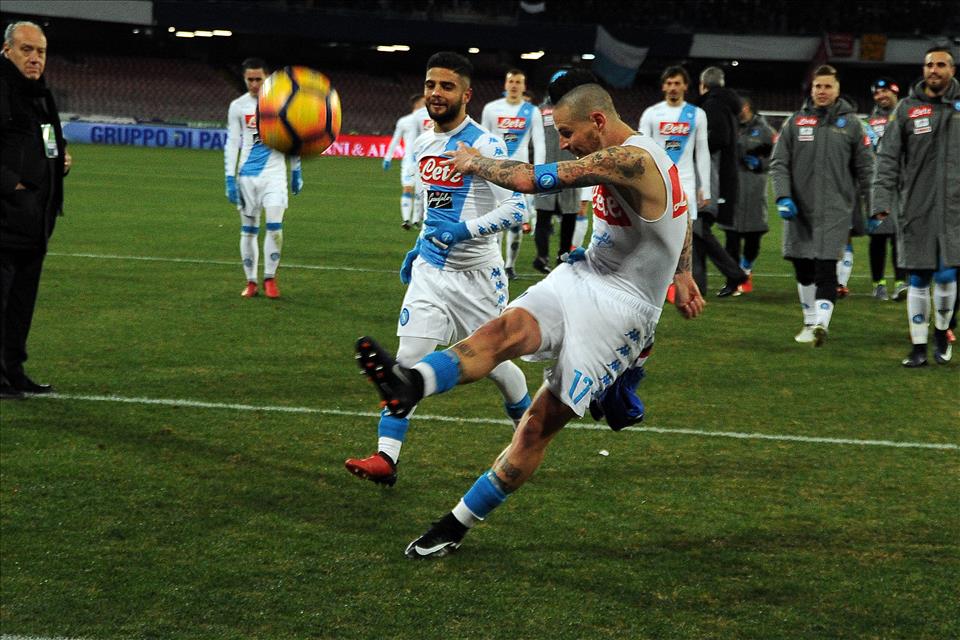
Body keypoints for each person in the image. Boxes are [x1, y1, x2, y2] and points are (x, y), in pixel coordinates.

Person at [355, 83, 704, 557]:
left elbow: (530, 180)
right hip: (583, 274)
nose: (564, 141)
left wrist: (474, 162)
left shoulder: (630, 160)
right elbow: (681, 220)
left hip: (622, 312)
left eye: (568, 131)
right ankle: (409, 385)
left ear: (598, 122)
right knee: (502, 332)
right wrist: (682, 271)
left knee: (538, 425)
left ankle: (455, 525)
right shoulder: (647, 153)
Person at [344, 52, 532, 486]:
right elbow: (435, 208)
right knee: (405, 363)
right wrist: (419, 245)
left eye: (446, 86)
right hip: (431, 272)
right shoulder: (425, 142)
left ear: (466, 94)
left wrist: (463, 231)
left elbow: (517, 208)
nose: (436, 93)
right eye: (430, 85)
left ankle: (529, 428)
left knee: (499, 368)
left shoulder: (486, 145)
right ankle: (386, 459)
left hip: (477, 278)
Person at [770, 64, 875, 347]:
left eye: (828, 86)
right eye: (818, 86)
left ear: (838, 90)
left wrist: (875, 206)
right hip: (799, 211)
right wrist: (782, 196)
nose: (822, 91)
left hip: (835, 211)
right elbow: (779, 163)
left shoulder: (852, 125)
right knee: (803, 269)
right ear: (812, 89)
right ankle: (809, 321)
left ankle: (820, 324)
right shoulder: (794, 122)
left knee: (826, 269)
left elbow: (866, 169)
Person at [873, 47, 958, 367]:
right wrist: (881, 202)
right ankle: (918, 346)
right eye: (928, 65)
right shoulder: (907, 110)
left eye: (940, 64)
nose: (933, 70)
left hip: (955, 210)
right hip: (917, 207)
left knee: (948, 275)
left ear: (951, 69)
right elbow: (888, 160)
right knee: (919, 278)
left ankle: (941, 333)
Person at [1, 21, 71, 400]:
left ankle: (14, 370)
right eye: (27, 50)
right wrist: (12, 185)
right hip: (6, 219)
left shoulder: (39, 94)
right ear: (7, 50)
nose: (34, 58)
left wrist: (57, 158)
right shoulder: (3, 88)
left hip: (34, 223)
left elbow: (46, 136)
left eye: (40, 51)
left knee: (20, 305)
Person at [640, 66, 730, 297]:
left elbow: (702, 152)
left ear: (685, 86)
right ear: (663, 86)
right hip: (658, 182)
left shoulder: (696, 114)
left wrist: (705, 189)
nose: (672, 87)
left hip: (686, 183)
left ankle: (682, 283)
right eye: (669, 83)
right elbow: (641, 151)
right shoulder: (651, 114)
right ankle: (658, 281)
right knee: (656, 233)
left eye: (677, 83)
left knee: (685, 237)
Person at [223, 57, 302, 299]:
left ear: (267, 79)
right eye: (250, 79)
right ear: (244, 79)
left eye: (259, 79)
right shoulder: (238, 106)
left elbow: (293, 139)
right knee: (248, 231)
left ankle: (270, 278)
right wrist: (229, 177)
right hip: (246, 177)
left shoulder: (283, 105)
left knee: (275, 227)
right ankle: (251, 282)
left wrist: (296, 169)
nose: (254, 84)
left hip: (275, 175)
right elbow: (233, 142)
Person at [481, 69, 546, 279]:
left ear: (524, 86)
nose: (515, 85)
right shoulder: (491, 109)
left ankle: (510, 265)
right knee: (496, 223)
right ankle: (497, 263)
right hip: (495, 173)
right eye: (511, 81)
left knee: (517, 224)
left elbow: (540, 143)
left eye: (519, 81)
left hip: (521, 175)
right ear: (505, 84)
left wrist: (539, 173)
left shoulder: (532, 111)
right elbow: (483, 140)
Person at [531, 69, 593, 273]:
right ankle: (541, 257)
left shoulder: (579, 112)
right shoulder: (538, 111)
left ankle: (562, 256)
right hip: (546, 168)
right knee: (543, 215)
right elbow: (533, 142)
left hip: (571, 168)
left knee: (569, 215)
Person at [719, 96, 775, 294]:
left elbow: (778, 156)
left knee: (753, 238)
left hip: (754, 191)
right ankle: (732, 282)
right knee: (731, 239)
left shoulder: (765, 130)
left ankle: (746, 268)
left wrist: (761, 164)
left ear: (746, 106)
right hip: (732, 190)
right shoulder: (728, 127)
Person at [865, 76, 907, 301]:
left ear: (895, 91)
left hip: (904, 186)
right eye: (876, 94)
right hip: (879, 185)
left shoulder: (907, 115)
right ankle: (878, 283)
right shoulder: (868, 123)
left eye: (884, 92)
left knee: (901, 235)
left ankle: (901, 282)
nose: (880, 97)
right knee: (879, 236)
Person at [383, 93, 431, 230]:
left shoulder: (430, 119)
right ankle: (406, 220)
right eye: (424, 102)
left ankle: (416, 220)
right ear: (417, 104)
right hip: (409, 162)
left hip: (425, 161)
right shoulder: (404, 121)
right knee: (408, 188)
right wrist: (388, 158)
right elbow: (395, 140)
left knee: (421, 192)